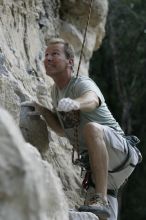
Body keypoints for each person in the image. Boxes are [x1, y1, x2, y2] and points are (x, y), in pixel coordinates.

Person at [23, 38, 141, 220]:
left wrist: (76, 104)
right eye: (46, 54)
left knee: (92, 128)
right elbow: (62, 130)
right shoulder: (55, 91)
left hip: (120, 152)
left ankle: (100, 199)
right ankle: (102, 202)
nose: (48, 58)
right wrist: (41, 109)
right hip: (102, 170)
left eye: (55, 54)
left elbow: (92, 100)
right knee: (96, 217)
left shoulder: (81, 83)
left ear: (70, 61)